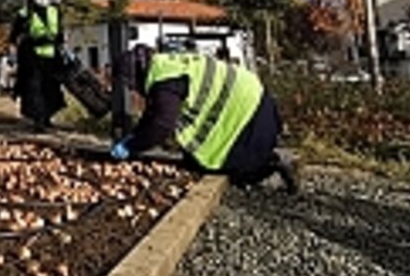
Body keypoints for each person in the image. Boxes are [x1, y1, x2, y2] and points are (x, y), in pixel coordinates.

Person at [110, 44, 296, 192]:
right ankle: (265, 161)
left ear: (136, 75)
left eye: (130, 85)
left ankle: (272, 166)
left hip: (248, 109)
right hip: (252, 95)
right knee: (196, 162)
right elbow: (153, 115)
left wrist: (131, 146)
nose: (133, 90)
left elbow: (161, 125)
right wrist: (135, 135)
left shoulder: (164, 83)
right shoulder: (164, 66)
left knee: (239, 167)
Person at [9, 0, 66, 132]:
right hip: (31, 57)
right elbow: (14, 35)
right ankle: (38, 121)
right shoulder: (24, 13)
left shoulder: (55, 11)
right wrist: (13, 53)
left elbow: (60, 32)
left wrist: (62, 47)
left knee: (51, 89)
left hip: (52, 57)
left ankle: (47, 118)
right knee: (34, 90)